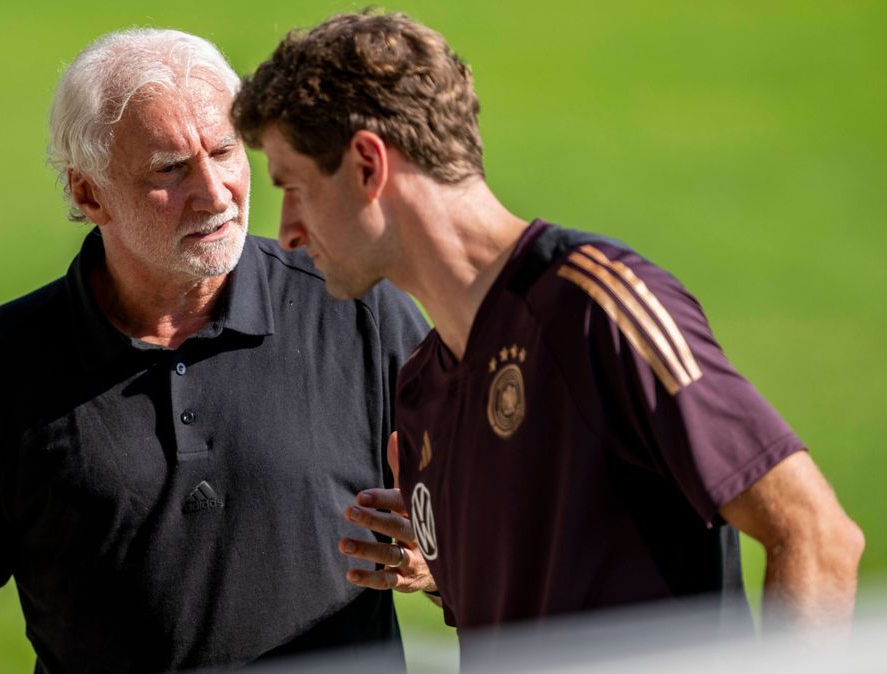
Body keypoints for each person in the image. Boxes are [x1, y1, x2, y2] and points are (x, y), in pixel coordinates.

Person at [232, 10, 864, 638]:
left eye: (294, 187)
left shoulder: (596, 307)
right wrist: (438, 569)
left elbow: (816, 536)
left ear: (369, 166)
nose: (285, 233)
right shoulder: (422, 391)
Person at [0, 28, 428, 673]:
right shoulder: (0, 364)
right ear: (88, 193)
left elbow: (501, 527)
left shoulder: (360, 310)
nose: (215, 193)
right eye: (169, 170)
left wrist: (435, 563)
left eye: (225, 150)